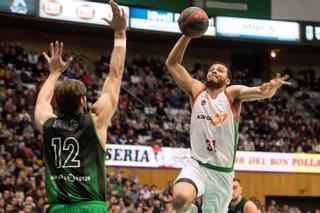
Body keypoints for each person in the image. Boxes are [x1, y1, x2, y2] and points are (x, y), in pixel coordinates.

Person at [165, 35, 291, 212]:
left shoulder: (232, 94)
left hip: (222, 173)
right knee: (179, 199)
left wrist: (270, 87)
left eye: (219, 70)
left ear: (227, 80)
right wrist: (187, 35)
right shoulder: (196, 90)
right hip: (197, 165)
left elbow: (261, 92)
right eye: (211, 69)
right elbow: (172, 64)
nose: (214, 71)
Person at [34, 1, 127, 212]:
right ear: (83, 101)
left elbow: (41, 103)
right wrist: (120, 34)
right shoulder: (96, 121)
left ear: (56, 103)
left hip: (58, 208)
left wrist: (53, 73)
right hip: (91, 207)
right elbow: (115, 75)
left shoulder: (48, 124)